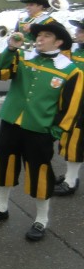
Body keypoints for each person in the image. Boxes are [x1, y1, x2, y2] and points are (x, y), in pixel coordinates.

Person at [0, 22, 82, 241]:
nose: (40, 39)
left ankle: (41, 219)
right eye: (39, 35)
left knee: (39, 174)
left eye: (47, 36)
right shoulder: (23, 58)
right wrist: (10, 49)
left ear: (59, 42)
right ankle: (1, 207)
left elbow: (70, 108)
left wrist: (53, 132)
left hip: (39, 130)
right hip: (10, 122)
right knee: (4, 165)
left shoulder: (70, 70)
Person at [55, 19, 84, 196]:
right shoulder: (76, 49)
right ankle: (70, 175)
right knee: (69, 139)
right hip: (74, 101)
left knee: (76, 143)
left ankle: (71, 182)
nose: (77, 33)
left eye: (80, 31)